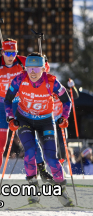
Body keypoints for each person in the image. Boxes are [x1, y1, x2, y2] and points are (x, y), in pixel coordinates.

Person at [4, 52, 73, 206]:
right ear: (25, 69)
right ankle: (33, 191)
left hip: (46, 121)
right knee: (29, 153)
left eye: (36, 69)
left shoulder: (51, 82)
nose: (33, 72)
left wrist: (64, 117)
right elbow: (7, 100)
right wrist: (10, 118)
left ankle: (61, 190)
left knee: (51, 159)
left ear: (43, 69)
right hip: (24, 119)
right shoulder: (19, 79)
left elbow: (66, 100)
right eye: (29, 69)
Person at [0, 38, 47, 185]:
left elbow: (45, 68)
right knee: (0, 144)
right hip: (2, 108)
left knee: (31, 141)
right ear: (2, 52)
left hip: (20, 106)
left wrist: (42, 62)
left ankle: (43, 170)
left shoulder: (22, 61)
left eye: (13, 52)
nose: (10, 56)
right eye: (7, 52)